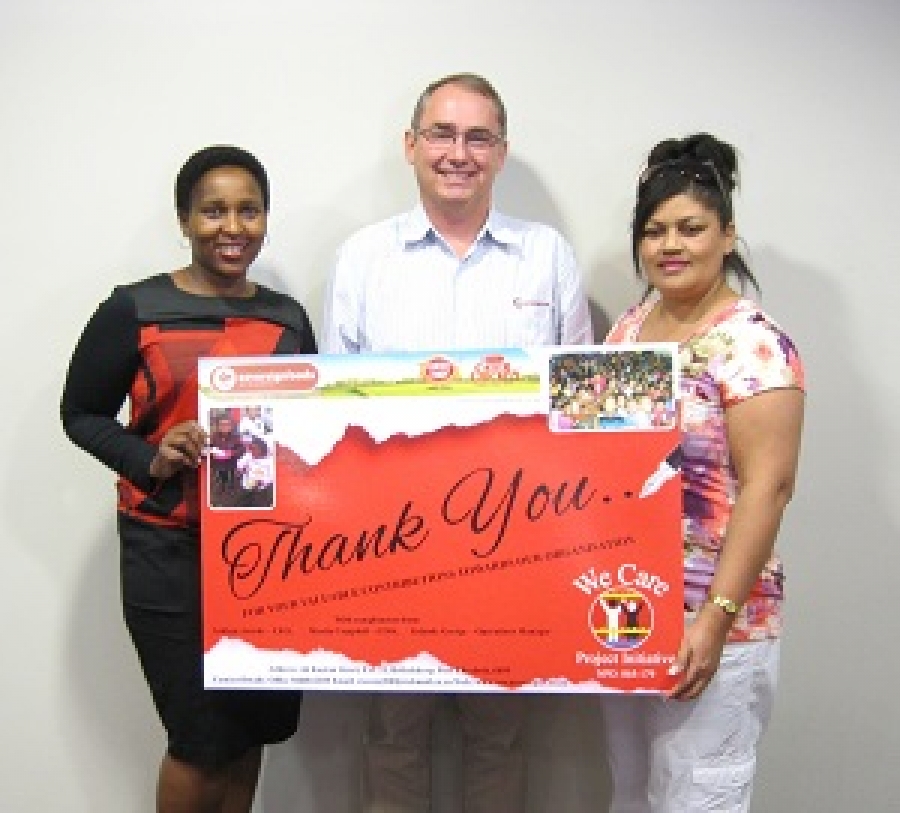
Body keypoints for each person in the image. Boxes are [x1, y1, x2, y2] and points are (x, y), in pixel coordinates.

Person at [323, 72, 592, 813]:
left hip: (514, 542)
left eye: (478, 137)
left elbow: (583, 411)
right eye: (441, 133)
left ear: (502, 152)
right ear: (410, 145)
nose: (458, 152)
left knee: (499, 736)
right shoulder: (363, 259)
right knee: (393, 733)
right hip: (389, 547)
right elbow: (329, 412)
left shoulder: (547, 257)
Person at [61, 145, 317, 813]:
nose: (232, 226)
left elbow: (314, 425)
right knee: (199, 740)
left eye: (248, 210)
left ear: (265, 218)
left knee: (249, 731)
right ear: (184, 219)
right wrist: (151, 455)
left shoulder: (287, 318)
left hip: (267, 555)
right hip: (168, 551)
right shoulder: (135, 308)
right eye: (213, 211)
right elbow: (81, 412)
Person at [602, 133, 805, 812]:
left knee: (698, 798)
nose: (671, 245)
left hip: (713, 622)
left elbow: (768, 489)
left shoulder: (753, 342)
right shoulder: (628, 332)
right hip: (623, 612)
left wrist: (714, 620)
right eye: (654, 231)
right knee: (633, 795)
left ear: (727, 234)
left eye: (691, 228)